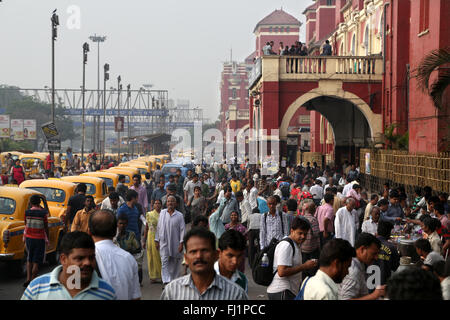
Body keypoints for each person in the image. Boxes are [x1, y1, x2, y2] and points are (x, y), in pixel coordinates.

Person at [22, 231, 116, 300]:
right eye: (80, 258)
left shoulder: (107, 293)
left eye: (91, 258)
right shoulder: (37, 287)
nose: (87, 263)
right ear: (63, 259)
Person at [161, 227, 248, 300]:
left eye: (204, 251)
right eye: (193, 252)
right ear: (186, 258)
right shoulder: (171, 292)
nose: (199, 256)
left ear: (215, 255)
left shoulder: (236, 294)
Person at [89, 210, 141, 300]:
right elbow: (135, 297)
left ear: (89, 231)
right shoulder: (128, 259)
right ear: (114, 232)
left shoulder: (81, 259)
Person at [267, 217, 317, 300]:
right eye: (300, 233)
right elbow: (282, 272)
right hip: (282, 291)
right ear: (292, 231)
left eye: (305, 234)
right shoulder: (287, 245)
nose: (303, 236)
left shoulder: (295, 245)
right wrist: (304, 266)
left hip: (288, 291)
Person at [338, 233, 385, 300]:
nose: (376, 258)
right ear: (362, 249)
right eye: (374, 254)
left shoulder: (359, 263)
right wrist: (374, 295)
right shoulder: (353, 271)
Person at [155, 195, 185, 286]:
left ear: (175, 204)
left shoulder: (179, 215)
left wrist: (181, 243)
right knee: (164, 261)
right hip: (164, 241)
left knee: (175, 261)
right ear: (166, 203)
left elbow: (182, 230)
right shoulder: (163, 213)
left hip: (175, 242)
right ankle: (166, 281)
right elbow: (159, 227)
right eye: (168, 201)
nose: (170, 203)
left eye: (172, 201)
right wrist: (156, 239)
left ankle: (174, 280)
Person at [22, 194, 49, 287]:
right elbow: (46, 226)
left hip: (29, 238)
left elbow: (26, 223)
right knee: (36, 260)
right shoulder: (43, 213)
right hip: (39, 238)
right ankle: (33, 280)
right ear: (39, 203)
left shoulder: (27, 212)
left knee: (29, 258)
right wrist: (47, 237)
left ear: (30, 203)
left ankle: (28, 278)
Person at [143, 199, 162, 283]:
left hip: (160, 237)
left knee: (159, 256)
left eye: (159, 203)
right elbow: (146, 227)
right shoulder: (149, 214)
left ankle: (162, 275)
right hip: (150, 236)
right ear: (153, 205)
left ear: (161, 205)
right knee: (151, 256)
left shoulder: (163, 214)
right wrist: (144, 239)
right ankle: (153, 277)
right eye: (155, 203)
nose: (157, 205)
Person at [301, 202, 321, 277]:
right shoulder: (313, 220)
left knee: (303, 268)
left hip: (302, 248)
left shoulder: (301, 218)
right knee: (312, 269)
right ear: (314, 210)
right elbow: (316, 234)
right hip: (312, 248)